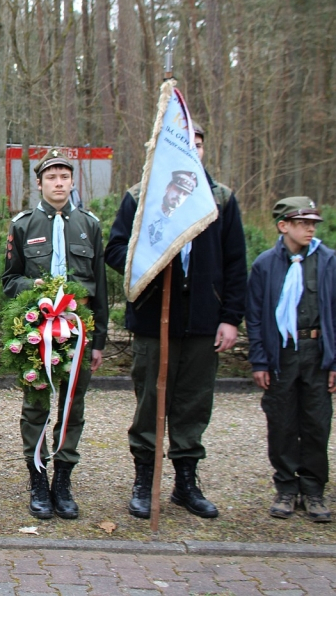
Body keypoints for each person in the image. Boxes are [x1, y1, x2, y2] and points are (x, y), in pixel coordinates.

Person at [105, 121, 247, 520]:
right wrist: (151, 259)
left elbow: (236, 263)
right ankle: (144, 481)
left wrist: (230, 317)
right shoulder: (142, 197)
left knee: (193, 405)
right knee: (151, 402)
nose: (193, 150)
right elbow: (115, 251)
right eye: (185, 144)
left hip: (204, 321)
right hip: (155, 320)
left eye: (198, 144)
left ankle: (186, 483)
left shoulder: (220, 200)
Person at [1, 152, 108, 520]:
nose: (59, 182)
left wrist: (100, 342)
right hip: (39, 333)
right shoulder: (23, 225)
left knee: (72, 407)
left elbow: (101, 289)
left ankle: (62, 480)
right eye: (52, 177)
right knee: (36, 407)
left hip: (79, 332)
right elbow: (9, 281)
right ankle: (38, 478)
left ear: (72, 181)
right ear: (40, 184)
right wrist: (37, 286)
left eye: (64, 176)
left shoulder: (88, 225)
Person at [246, 197, 335, 523]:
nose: (310, 228)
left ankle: (313, 490)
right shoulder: (265, 264)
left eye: (313, 223)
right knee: (281, 422)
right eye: (302, 223)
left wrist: (334, 362)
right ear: (283, 226)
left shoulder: (328, 261)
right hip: (281, 353)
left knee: (316, 423)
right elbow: (254, 316)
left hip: (316, 351)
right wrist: (259, 361)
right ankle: (285, 487)